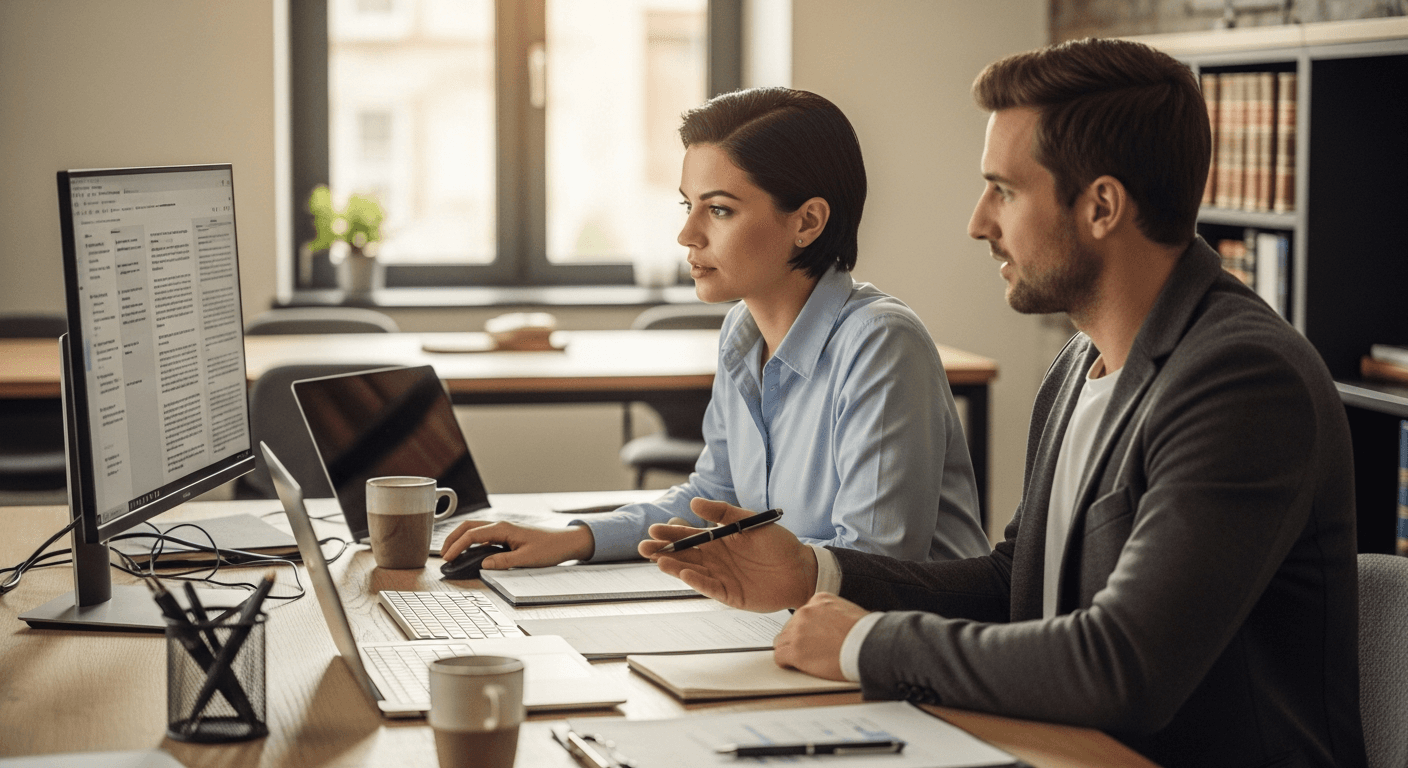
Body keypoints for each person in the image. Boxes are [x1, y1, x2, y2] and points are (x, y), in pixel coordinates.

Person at [642, 39, 1365, 768]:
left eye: (1005, 190)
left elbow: (1121, 666)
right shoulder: (1080, 363)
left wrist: (864, 642)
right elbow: (1011, 584)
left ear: (1102, 207)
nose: (979, 221)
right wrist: (814, 575)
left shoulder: (1240, 380)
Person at [442, 87, 991, 569]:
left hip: (904, 651)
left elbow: (873, 562)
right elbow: (713, 496)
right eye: (687, 205)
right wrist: (571, 538)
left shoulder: (880, 344)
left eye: (719, 210)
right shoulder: (742, 332)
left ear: (808, 222)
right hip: (795, 619)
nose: (686, 234)